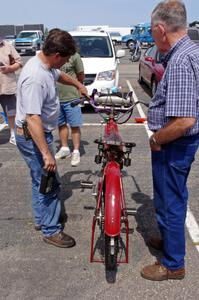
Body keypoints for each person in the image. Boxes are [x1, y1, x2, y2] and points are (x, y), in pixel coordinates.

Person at [141, 0, 199, 281]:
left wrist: (156, 140)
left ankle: (173, 264)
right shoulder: (191, 51)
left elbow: (184, 120)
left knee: (171, 201)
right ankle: (170, 240)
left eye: (152, 31)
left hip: (173, 144)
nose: (152, 35)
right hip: (179, 144)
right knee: (171, 197)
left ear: (161, 29)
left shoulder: (180, 60)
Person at [15, 29, 88, 248]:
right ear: (57, 55)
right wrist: (47, 154)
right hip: (33, 136)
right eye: (65, 59)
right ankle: (51, 230)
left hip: (36, 134)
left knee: (40, 180)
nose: (66, 63)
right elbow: (32, 118)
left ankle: (42, 219)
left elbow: (60, 75)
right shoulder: (34, 78)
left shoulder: (46, 65)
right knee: (49, 182)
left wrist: (78, 84)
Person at [55, 52, 85, 166]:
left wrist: (79, 88)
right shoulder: (54, 55)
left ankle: (76, 151)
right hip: (56, 98)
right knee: (61, 124)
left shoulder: (75, 56)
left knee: (75, 125)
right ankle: (64, 148)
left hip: (72, 97)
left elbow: (81, 75)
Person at [0, 36, 22, 145]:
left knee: (11, 112)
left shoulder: (8, 46)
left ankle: (13, 134)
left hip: (7, 84)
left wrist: (9, 68)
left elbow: (19, 62)